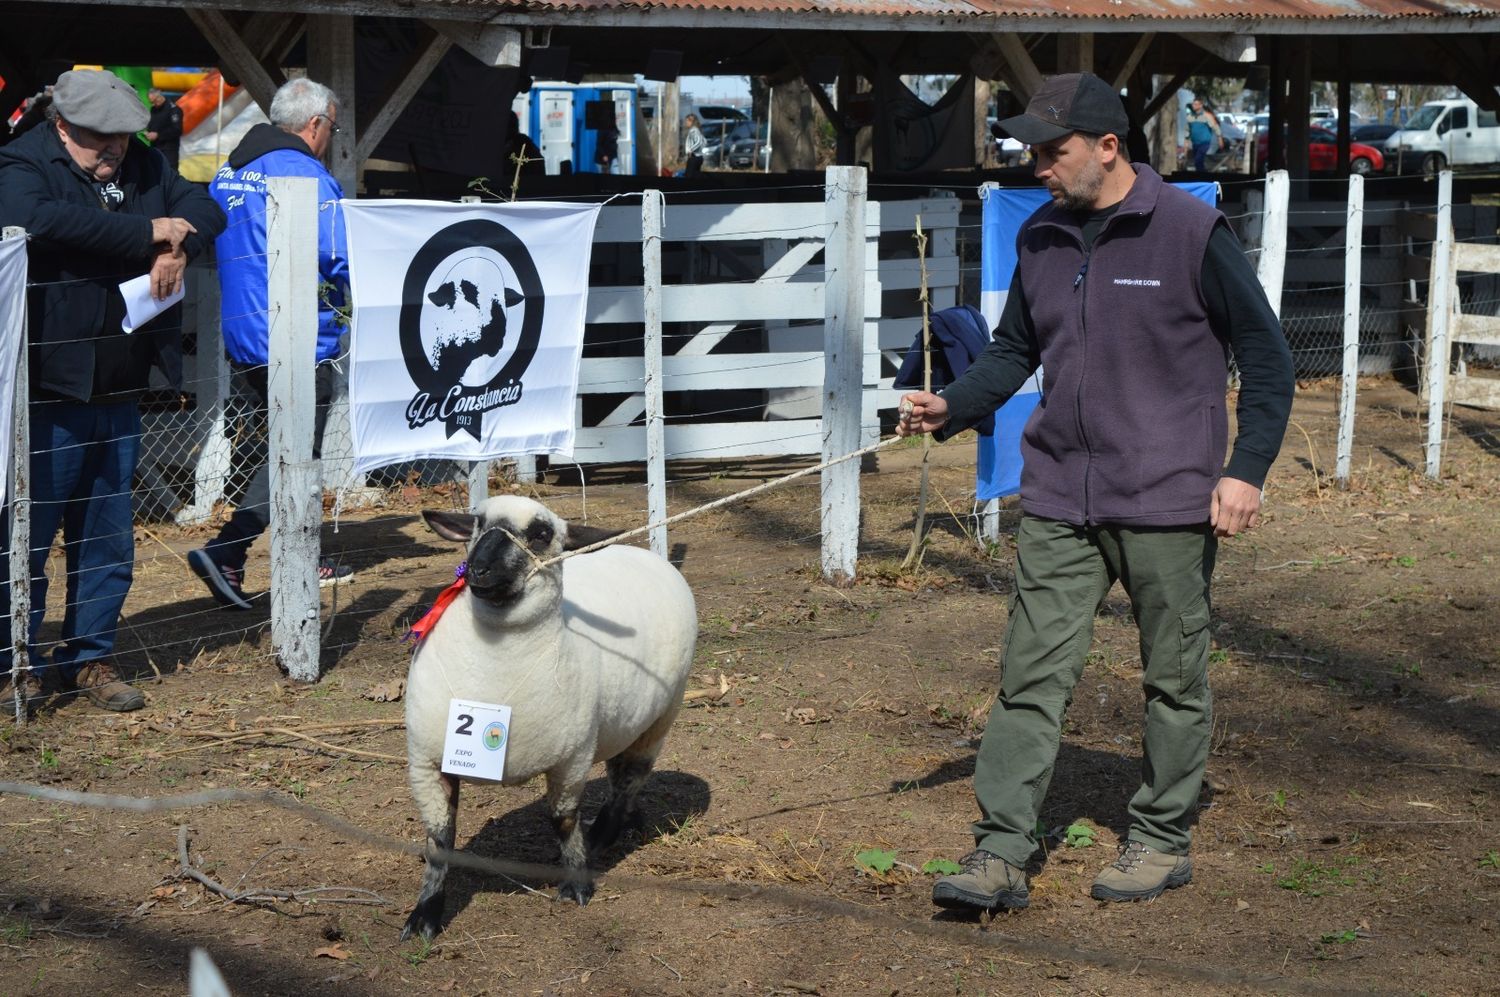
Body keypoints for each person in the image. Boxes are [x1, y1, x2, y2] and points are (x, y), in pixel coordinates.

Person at [897, 72, 1293, 911]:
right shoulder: (1040, 236)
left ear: (1108, 147)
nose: (1038, 166)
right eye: (1033, 152)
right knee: (1028, 678)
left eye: (1053, 150)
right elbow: (1012, 351)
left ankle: (1160, 837)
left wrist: (1246, 470)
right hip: (1058, 500)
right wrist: (953, 404)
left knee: (1173, 678)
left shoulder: (1190, 230)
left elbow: (1267, 357)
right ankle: (999, 852)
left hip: (1168, 499)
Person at [0, 69, 225, 711]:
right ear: (62, 127)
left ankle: (90, 659)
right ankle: (15, 661)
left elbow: (205, 205)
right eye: (101, 141)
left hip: (120, 383)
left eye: (124, 140)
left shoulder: (145, 162)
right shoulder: (22, 163)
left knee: (106, 536)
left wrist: (180, 243)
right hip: (44, 387)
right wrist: (150, 233)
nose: (116, 152)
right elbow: (34, 221)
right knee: (27, 533)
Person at [187, 77, 353, 611]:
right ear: (315, 124)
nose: (331, 137)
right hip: (300, 337)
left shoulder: (230, 172)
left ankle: (294, 550)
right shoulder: (307, 175)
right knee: (298, 454)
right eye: (332, 126)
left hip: (243, 334)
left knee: (277, 448)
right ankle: (231, 549)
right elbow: (340, 254)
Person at [145, 88, 183, 169]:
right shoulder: (153, 109)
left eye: (154, 101)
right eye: (151, 102)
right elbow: (152, 125)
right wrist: (148, 133)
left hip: (169, 149)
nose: (154, 104)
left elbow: (177, 130)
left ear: (159, 97)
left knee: (170, 171)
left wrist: (158, 135)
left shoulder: (174, 109)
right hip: (156, 147)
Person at [1186, 98, 1222, 172]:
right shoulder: (1190, 117)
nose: (1193, 106)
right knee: (1198, 162)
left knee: (1198, 160)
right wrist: (1186, 142)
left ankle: (1202, 176)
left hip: (1204, 143)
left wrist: (1220, 139)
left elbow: (1215, 127)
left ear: (1200, 105)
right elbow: (1187, 130)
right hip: (1195, 143)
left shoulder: (1207, 116)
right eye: (1193, 104)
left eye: (1196, 104)